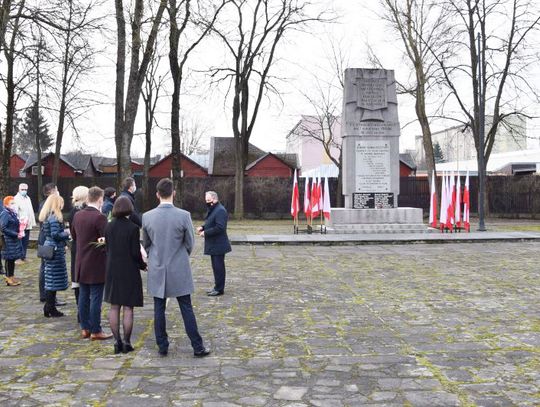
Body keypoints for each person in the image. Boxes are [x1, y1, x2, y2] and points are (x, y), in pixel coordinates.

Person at [142, 178, 210, 357]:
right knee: (186, 307)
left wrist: (155, 256)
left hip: (157, 266)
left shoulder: (147, 216)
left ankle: (162, 346)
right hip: (178, 266)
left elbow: (147, 243)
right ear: (174, 193)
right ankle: (197, 346)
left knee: (159, 309)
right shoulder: (183, 215)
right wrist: (180, 257)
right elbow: (190, 242)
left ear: (157, 194)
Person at [104, 196, 147, 354]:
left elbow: (107, 249)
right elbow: (135, 253)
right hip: (128, 270)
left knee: (114, 306)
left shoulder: (108, 227)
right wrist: (143, 266)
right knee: (128, 307)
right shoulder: (133, 228)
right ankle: (127, 342)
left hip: (112, 269)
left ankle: (117, 341)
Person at [71, 186, 112, 341]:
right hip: (96, 262)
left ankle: (85, 328)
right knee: (95, 297)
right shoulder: (100, 217)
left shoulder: (78, 215)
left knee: (83, 296)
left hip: (81, 261)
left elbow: (74, 236)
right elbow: (107, 239)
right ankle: (96, 330)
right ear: (100, 199)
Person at [39, 194, 70, 317]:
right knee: (53, 280)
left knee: (51, 278)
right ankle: (50, 307)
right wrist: (66, 233)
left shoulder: (47, 216)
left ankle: (49, 306)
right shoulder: (55, 218)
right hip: (55, 249)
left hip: (50, 247)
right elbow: (55, 234)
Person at [197, 191, 231, 297]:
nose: (207, 202)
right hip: (214, 244)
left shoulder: (220, 210)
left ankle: (219, 289)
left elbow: (220, 227)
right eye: (206, 200)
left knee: (219, 267)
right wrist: (203, 227)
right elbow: (210, 222)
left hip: (219, 245)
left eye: (208, 200)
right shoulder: (213, 209)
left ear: (214, 199)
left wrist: (205, 233)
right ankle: (217, 287)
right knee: (215, 267)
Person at [37, 183, 64, 304]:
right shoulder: (50, 204)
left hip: (44, 238)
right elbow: (53, 230)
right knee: (48, 269)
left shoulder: (44, 204)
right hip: (48, 240)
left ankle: (46, 295)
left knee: (45, 268)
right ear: (53, 191)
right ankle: (48, 297)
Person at [66, 186, 89, 316]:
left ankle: (81, 311)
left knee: (78, 280)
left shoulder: (72, 211)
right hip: (83, 247)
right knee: (82, 281)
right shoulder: (80, 212)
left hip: (77, 248)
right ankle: (83, 312)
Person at [0, 196, 23, 286]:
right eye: (11, 203)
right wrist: (15, 234)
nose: (13, 205)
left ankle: (12, 276)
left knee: (12, 258)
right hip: (8, 239)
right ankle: (8, 278)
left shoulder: (12, 213)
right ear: (6, 205)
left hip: (13, 239)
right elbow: (3, 227)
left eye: (14, 203)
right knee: (9, 258)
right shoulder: (5, 213)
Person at [13, 183, 36, 263]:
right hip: (20, 224)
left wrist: (32, 222)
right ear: (19, 190)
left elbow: (30, 211)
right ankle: (18, 258)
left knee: (25, 241)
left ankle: (23, 256)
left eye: (25, 189)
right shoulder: (16, 199)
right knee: (19, 241)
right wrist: (18, 222)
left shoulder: (28, 198)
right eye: (22, 189)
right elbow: (15, 212)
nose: (24, 191)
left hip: (27, 224)